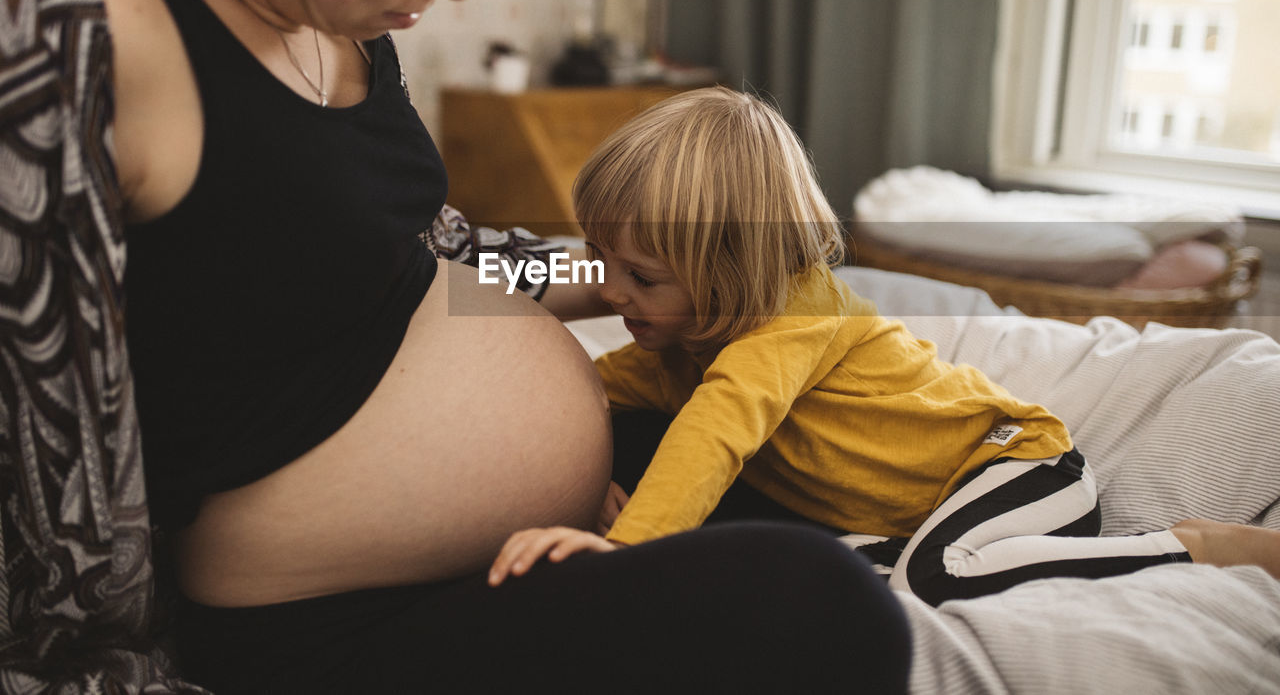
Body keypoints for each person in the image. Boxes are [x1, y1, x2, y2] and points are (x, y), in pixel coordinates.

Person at [0, 0, 913, 692]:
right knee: (825, 605)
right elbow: (43, 429)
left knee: (811, 441)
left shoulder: (339, 16)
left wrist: (642, 280)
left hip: (483, 541)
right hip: (321, 618)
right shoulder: (79, 30)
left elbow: (430, 256)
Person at [487, 87, 1280, 603]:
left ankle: (1189, 546)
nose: (607, 292)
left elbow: (715, 432)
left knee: (933, 576)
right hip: (917, 511)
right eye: (603, 262)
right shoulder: (680, 339)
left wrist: (625, 550)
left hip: (1016, 466)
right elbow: (592, 386)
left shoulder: (793, 320)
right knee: (839, 567)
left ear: (732, 269)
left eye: (639, 276)